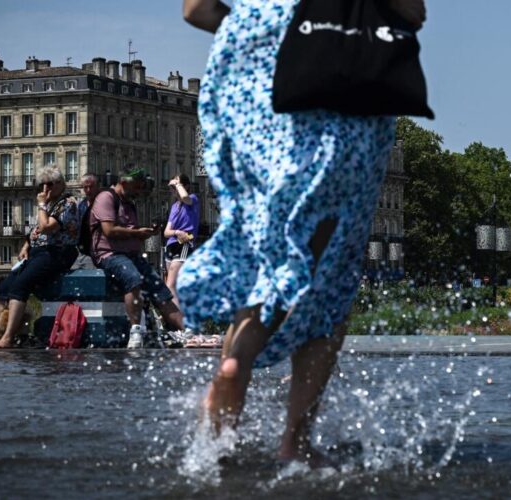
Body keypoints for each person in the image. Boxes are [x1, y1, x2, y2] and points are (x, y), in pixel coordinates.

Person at [180, 0, 426, 464]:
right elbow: (410, 13)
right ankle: (295, 442)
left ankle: (237, 360)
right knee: (328, 274)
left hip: (252, 86)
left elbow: (195, 10)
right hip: (337, 83)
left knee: (267, 255)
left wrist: (260, 30)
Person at [0, 166, 80, 349]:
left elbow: (46, 227)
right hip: (39, 252)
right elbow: (37, 230)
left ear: (60, 184)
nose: (44, 189)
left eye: (49, 184)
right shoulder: (50, 203)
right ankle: (16, 333)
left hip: (57, 252)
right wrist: (27, 244)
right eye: (41, 184)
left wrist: (42, 205)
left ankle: (8, 337)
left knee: (21, 286)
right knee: (5, 287)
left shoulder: (68, 204)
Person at [89, 166, 186, 349]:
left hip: (131, 254)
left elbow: (129, 231)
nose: (139, 191)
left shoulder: (128, 202)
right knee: (132, 277)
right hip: (109, 254)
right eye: (136, 187)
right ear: (124, 183)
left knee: (160, 289)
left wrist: (143, 234)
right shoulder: (106, 198)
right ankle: (135, 331)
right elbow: (109, 230)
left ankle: (188, 331)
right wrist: (136, 233)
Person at [162, 174, 200, 307]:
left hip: (184, 243)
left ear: (186, 186)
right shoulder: (174, 207)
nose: (174, 190)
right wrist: (176, 232)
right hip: (171, 244)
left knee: (170, 285)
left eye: (176, 186)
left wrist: (178, 184)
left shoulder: (193, 199)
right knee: (174, 286)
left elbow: (185, 197)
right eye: (172, 188)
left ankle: (180, 321)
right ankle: (176, 320)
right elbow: (166, 232)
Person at [72, 173, 102, 270]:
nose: (88, 190)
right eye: (85, 187)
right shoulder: (81, 205)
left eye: (91, 187)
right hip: (82, 250)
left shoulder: (104, 204)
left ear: (98, 186)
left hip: (99, 250)